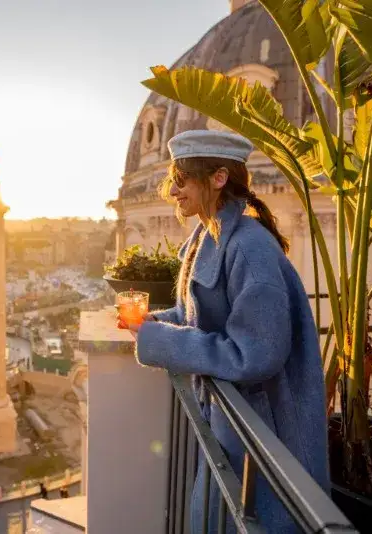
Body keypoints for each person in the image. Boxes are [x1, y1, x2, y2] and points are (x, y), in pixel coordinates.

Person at [118, 130, 328, 533]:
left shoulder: (250, 248)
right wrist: (154, 322)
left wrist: (158, 341)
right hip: (233, 422)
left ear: (217, 178)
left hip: (263, 429)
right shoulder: (210, 236)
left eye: (182, 180)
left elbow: (256, 354)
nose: (172, 192)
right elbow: (198, 313)